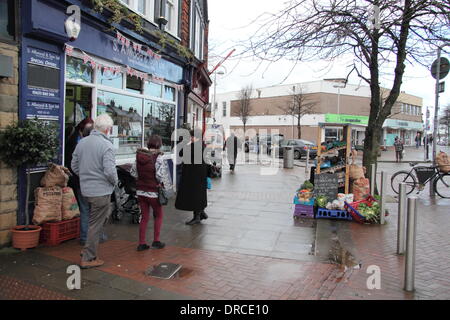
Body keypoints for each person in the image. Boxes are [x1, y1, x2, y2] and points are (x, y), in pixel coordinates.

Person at [71, 113, 118, 269]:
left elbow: (74, 166)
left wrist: (85, 177)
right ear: (108, 129)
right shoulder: (107, 146)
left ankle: (88, 250)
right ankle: (88, 257)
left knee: (90, 220)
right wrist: (115, 183)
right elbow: (110, 172)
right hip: (101, 192)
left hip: (84, 189)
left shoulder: (82, 143)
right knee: (96, 225)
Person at [65, 118, 107, 246]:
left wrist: (81, 175)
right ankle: (96, 236)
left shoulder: (80, 144)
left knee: (84, 210)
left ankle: (84, 237)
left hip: (81, 182)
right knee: (96, 212)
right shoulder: (101, 145)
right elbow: (107, 168)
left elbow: (73, 165)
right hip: (93, 185)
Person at [130, 135, 172, 251]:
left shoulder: (139, 156)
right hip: (153, 192)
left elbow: (133, 172)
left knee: (144, 217)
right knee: (158, 215)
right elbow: (160, 176)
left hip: (141, 192)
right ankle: (156, 241)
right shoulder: (158, 158)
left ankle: (142, 243)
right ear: (159, 145)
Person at [175, 129, 208, 225]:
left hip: (193, 176)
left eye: (191, 136)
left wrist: (187, 143)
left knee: (194, 196)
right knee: (199, 194)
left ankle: (197, 216)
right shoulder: (202, 145)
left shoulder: (193, 146)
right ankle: (201, 213)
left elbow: (181, 153)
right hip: (200, 175)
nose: (190, 138)